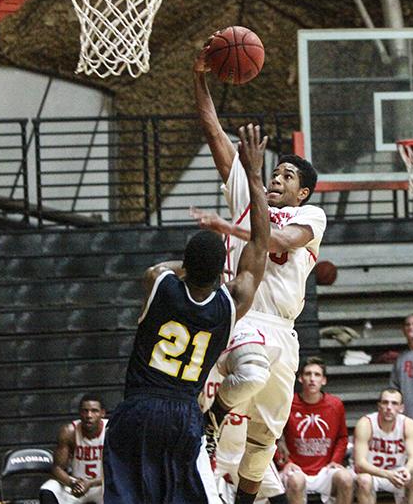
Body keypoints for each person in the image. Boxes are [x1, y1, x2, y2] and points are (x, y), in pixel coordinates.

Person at [102, 124, 270, 504]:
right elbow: (260, 243)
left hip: (138, 408)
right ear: (221, 272)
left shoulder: (160, 285)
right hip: (182, 414)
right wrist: (255, 175)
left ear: (186, 264)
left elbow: (161, 269)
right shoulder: (231, 303)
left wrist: (190, 265)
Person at [193, 34, 327, 504]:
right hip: (244, 315)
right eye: (275, 171)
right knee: (246, 375)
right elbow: (213, 131)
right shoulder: (246, 197)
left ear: (303, 193)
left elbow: (282, 240)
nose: (275, 177)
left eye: (287, 176)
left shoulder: (311, 217)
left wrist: (226, 227)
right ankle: (209, 416)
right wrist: (199, 79)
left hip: (285, 331)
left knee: (263, 444)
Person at [200, 366, 288, 503]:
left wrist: (280, 438)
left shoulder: (254, 370)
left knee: (277, 495)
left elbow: (269, 410)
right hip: (215, 451)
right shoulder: (206, 371)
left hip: (245, 447)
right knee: (201, 494)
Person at [278, 356, 354, 504]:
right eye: (308, 374)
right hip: (296, 469)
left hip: (324, 470)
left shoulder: (335, 404)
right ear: (300, 378)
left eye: (317, 375)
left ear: (323, 380)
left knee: (346, 478)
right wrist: (285, 463)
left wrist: (335, 460)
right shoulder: (287, 403)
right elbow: (274, 438)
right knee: (295, 481)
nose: (312, 379)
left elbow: (342, 437)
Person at [353, 388, 413, 504]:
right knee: (364, 480)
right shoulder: (366, 423)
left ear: (401, 408)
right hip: (372, 473)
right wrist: (387, 474)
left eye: (394, 403)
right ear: (379, 405)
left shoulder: (408, 424)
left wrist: (407, 470)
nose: (389, 407)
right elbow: (360, 464)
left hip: (397, 472)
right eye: (385, 402)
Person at [39, 394, 107, 504]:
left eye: (94, 411)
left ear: (102, 413)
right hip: (76, 484)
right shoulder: (69, 432)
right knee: (49, 489)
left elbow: (120, 470)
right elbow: (57, 468)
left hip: (101, 485)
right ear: (80, 413)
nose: (89, 415)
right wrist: (72, 483)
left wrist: (91, 483)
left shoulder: (110, 431)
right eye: (85, 411)